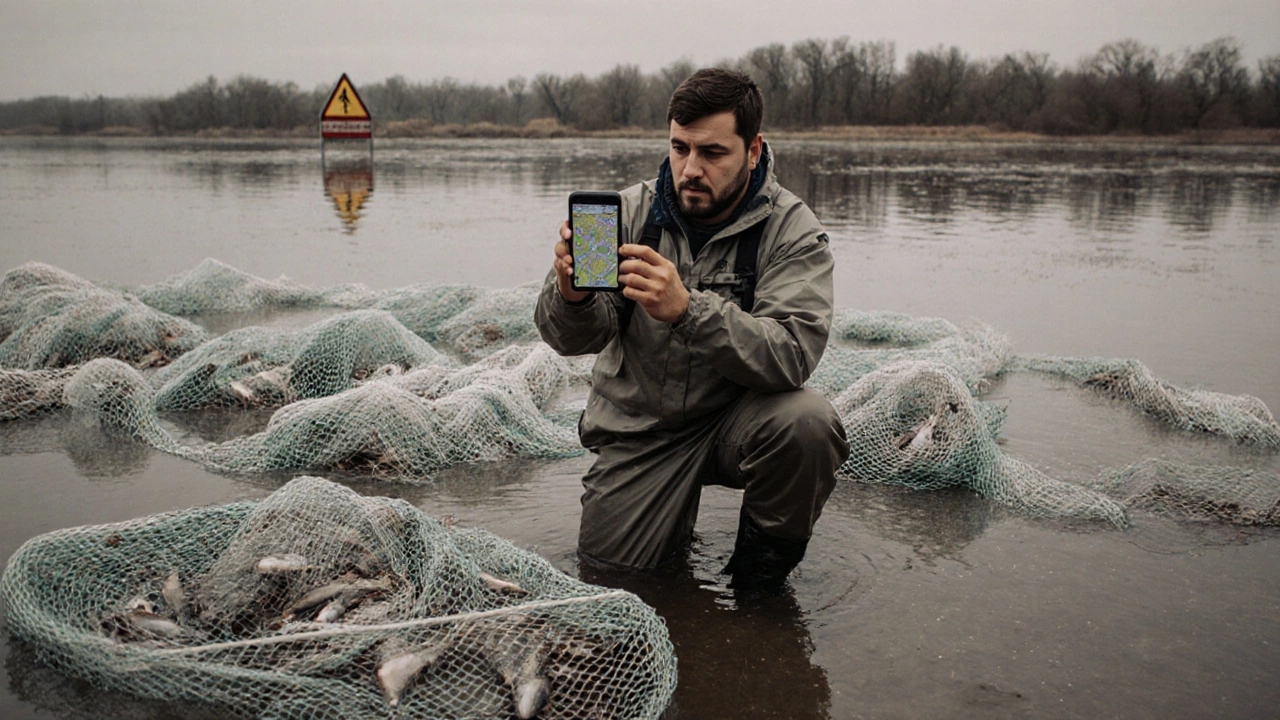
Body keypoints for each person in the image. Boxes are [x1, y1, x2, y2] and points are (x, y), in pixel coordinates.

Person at [534, 68, 848, 591]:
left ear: (753, 150)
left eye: (713, 153)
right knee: (610, 584)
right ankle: (664, 532)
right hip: (641, 435)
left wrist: (686, 310)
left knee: (808, 424)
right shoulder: (628, 213)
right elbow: (570, 340)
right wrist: (573, 295)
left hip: (736, 426)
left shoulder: (794, 230)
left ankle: (758, 585)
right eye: (679, 148)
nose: (690, 169)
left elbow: (793, 353)